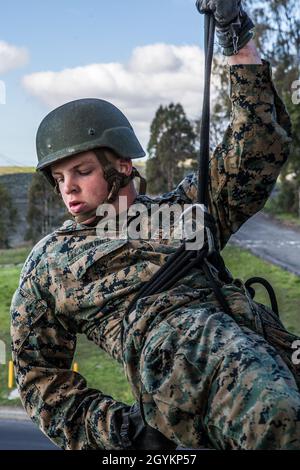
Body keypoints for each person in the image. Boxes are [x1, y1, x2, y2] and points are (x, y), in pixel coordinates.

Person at [11, 1, 300, 450]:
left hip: (269, 350)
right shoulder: (51, 263)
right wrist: (124, 434)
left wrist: (234, 33)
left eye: (82, 171)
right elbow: (38, 379)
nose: (68, 188)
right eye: (59, 178)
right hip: (193, 374)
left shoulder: (188, 208)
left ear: (121, 166)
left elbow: (257, 144)